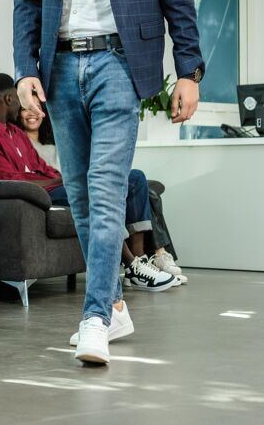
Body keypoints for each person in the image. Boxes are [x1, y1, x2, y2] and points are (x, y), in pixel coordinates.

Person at [13, 0, 204, 366]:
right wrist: (25, 69)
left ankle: (94, 317)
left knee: (103, 187)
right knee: (79, 197)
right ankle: (115, 307)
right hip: (61, 65)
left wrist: (188, 69)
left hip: (122, 63)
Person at [0, 73, 175, 299]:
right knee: (95, 193)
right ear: (9, 98)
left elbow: (42, 167)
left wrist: (66, 177)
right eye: (19, 98)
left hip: (52, 187)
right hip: (38, 197)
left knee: (134, 178)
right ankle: (131, 264)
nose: (22, 105)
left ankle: (137, 265)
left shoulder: (15, 133)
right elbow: (10, 182)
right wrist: (64, 181)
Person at [19, 102, 187, 290]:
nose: (31, 113)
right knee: (122, 191)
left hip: (73, 181)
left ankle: (141, 261)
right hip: (60, 188)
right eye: (25, 108)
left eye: (35, 108)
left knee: (138, 180)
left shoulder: (59, 139)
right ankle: (143, 262)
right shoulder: (20, 142)